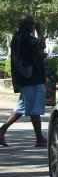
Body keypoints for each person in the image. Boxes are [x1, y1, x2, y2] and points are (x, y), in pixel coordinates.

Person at [0, 13, 48, 147]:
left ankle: (2, 131)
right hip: (31, 79)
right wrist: (39, 30)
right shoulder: (26, 38)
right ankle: (39, 138)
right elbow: (42, 45)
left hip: (24, 78)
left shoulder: (17, 37)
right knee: (34, 109)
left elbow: (29, 54)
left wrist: (38, 58)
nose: (34, 25)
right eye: (32, 23)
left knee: (21, 108)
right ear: (28, 25)